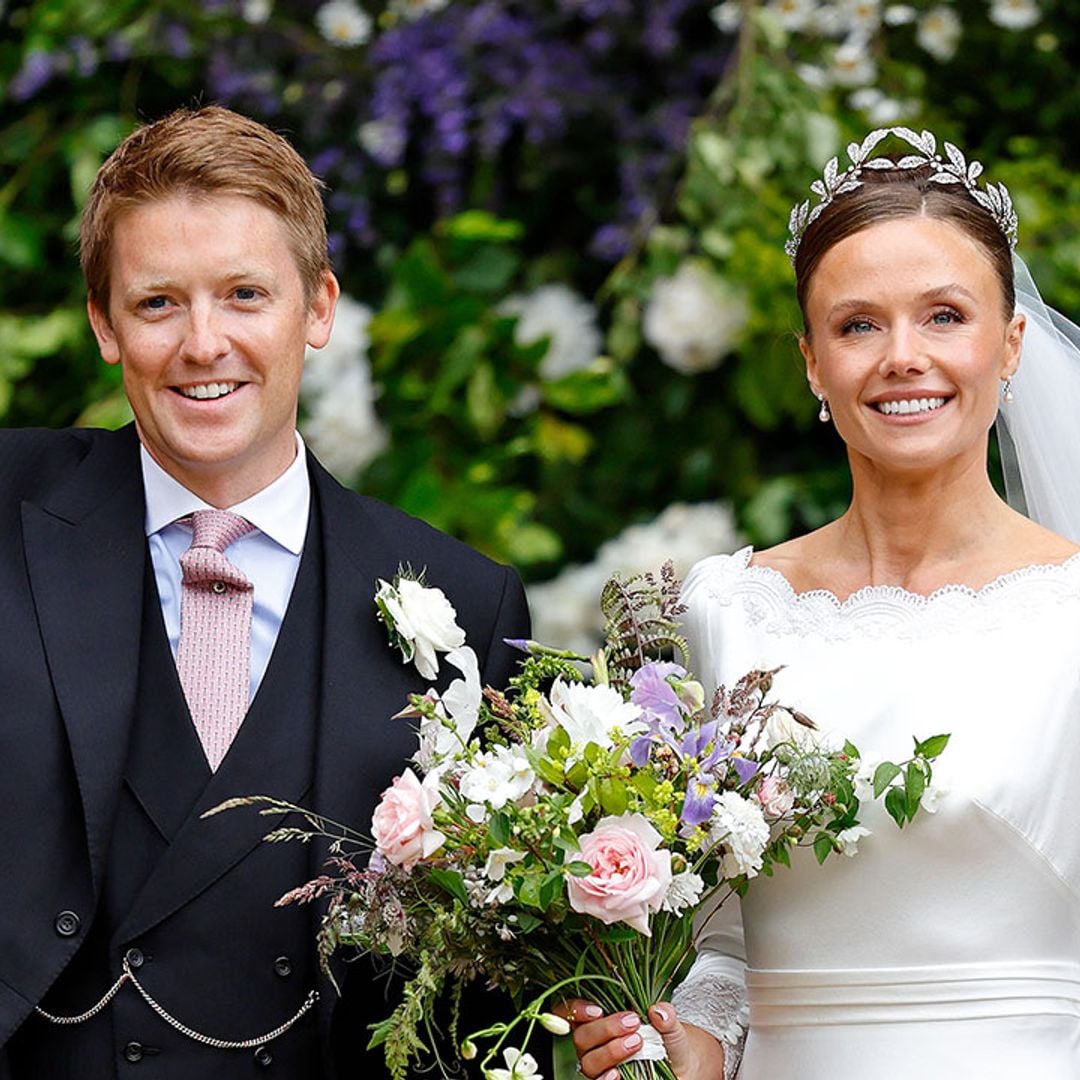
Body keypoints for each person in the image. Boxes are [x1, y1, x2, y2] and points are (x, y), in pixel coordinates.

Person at [0, 105, 529, 1079]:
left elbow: (478, 989)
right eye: (158, 303)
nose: (205, 343)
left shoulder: (465, 606)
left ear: (316, 308)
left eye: (245, 294)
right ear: (104, 324)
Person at [565, 127, 1080, 1078]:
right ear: (811, 361)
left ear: (1010, 344)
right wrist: (684, 1041)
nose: (902, 357)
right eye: (858, 325)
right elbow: (722, 945)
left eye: (944, 316)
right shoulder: (727, 612)